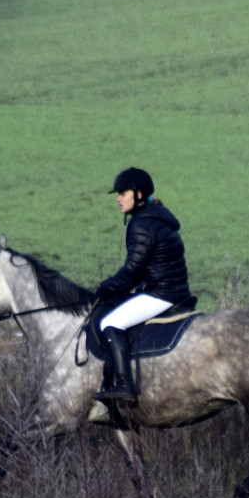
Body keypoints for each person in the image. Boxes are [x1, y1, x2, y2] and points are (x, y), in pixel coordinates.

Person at [93, 167, 192, 405]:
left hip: (161, 294)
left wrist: (106, 287)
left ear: (138, 195)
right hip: (173, 289)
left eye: (122, 193)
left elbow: (132, 271)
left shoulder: (141, 225)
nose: (118, 198)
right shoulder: (157, 216)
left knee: (109, 322)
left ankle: (125, 386)